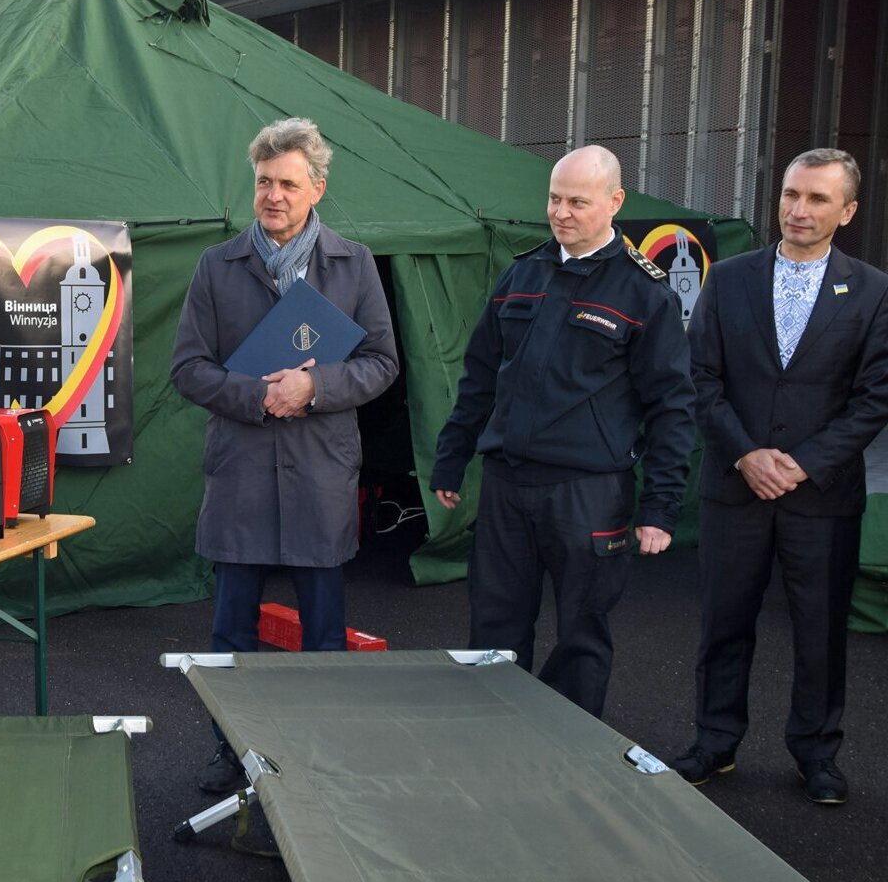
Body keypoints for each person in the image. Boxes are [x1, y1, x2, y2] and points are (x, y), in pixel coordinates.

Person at [172, 118, 400, 799]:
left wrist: (315, 387)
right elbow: (187, 367)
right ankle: (230, 753)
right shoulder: (216, 266)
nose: (274, 196)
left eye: (288, 184)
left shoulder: (355, 263)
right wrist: (257, 396)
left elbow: (382, 362)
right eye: (264, 182)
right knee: (230, 634)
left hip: (320, 474)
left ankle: (317, 754)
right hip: (240, 473)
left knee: (323, 635)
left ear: (317, 188)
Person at [431, 145, 694, 718]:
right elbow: (480, 377)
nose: (561, 213)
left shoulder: (644, 292)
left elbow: (672, 406)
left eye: (578, 202)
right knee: (494, 625)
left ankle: (569, 746)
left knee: (582, 632)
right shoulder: (521, 273)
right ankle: (492, 735)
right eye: (554, 199)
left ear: (615, 202)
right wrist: (452, 457)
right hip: (508, 484)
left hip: (588, 492)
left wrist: (661, 506)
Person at [671, 149, 888, 806]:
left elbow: (875, 397)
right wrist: (745, 454)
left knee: (820, 632)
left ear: (847, 212)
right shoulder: (728, 278)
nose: (799, 209)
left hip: (821, 495)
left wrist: (804, 462)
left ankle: (817, 755)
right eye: (792, 193)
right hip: (735, 488)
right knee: (724, 623)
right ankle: (714, 742)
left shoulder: (873, 290)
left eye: (818, 199)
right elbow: (700, 376)